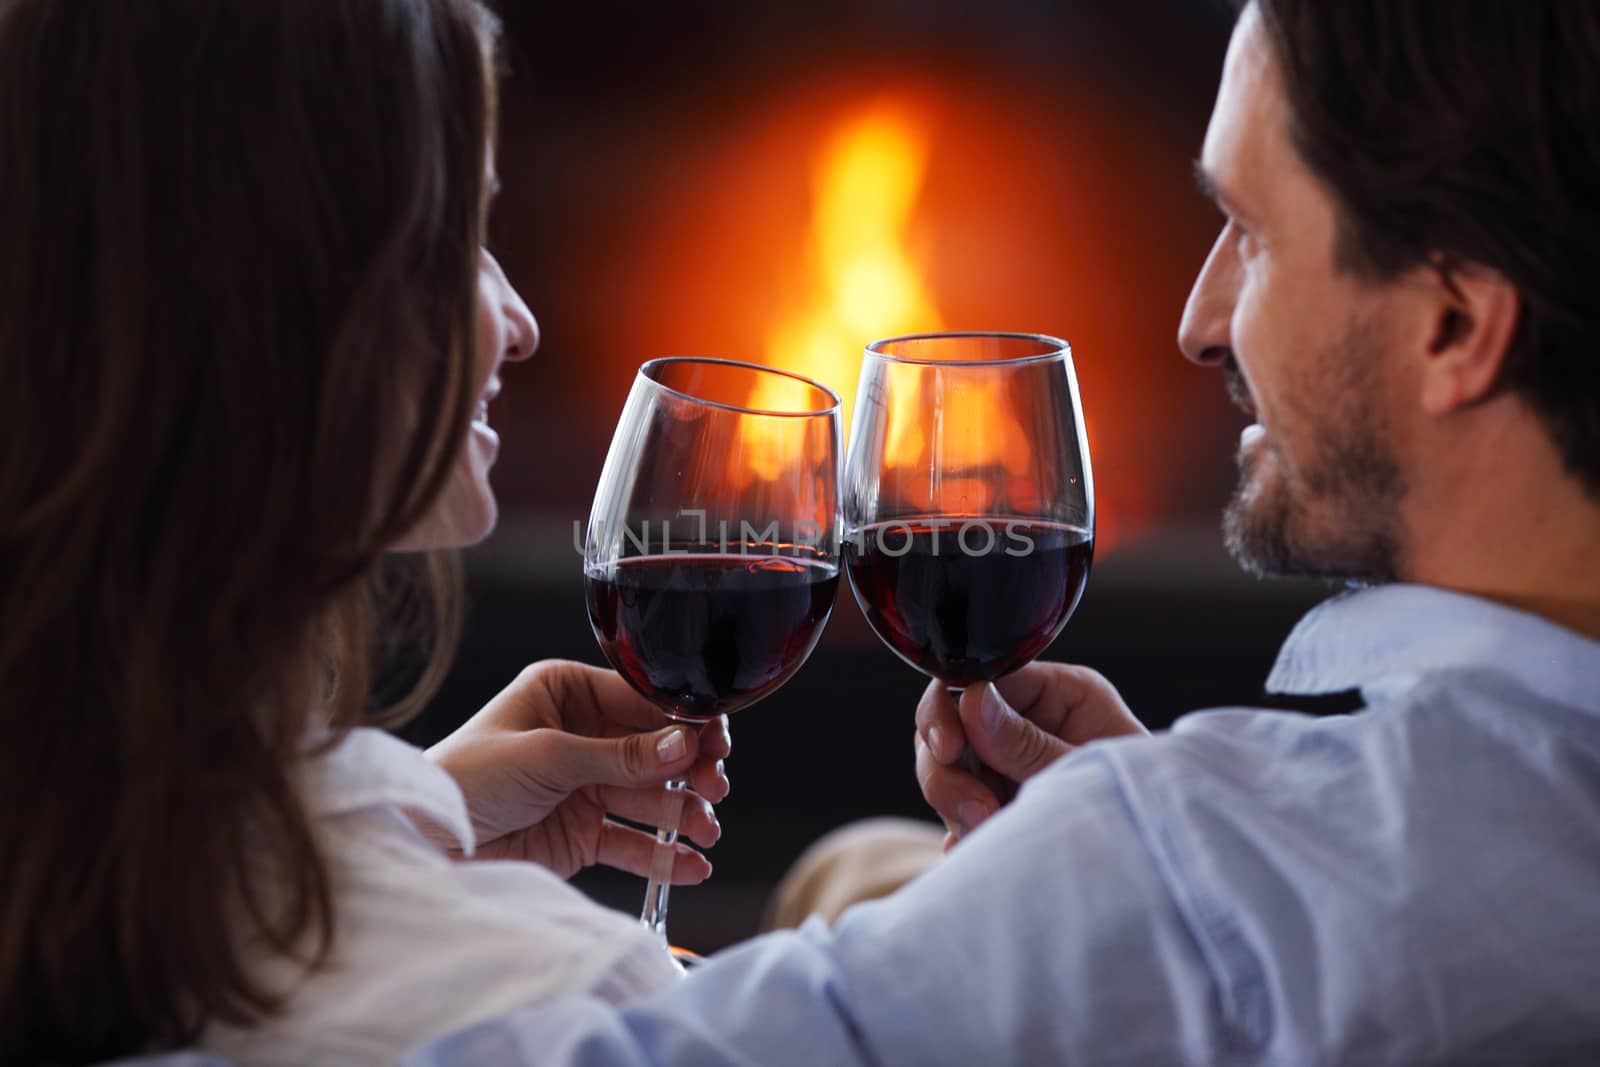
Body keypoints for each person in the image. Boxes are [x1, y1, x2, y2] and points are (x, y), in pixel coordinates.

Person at [405, 0, 1600, 1062]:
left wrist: (384, 877)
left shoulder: (1217, 871)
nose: (1199, 319)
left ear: (1453, 324)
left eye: (1254, 232)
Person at [0, 1, 733, 1063]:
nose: (519, 321)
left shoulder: (73, 877)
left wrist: (392, 814)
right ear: (280, 306)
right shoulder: (554, 1006)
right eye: (462, 239)